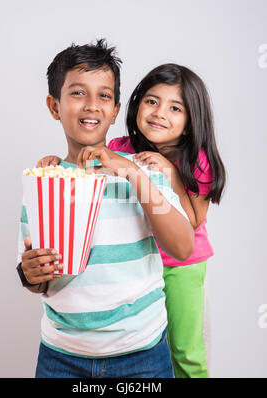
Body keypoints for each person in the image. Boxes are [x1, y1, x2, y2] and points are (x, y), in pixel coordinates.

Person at [17, 40, 194, 378]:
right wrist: (30, 274)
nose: (92, 106)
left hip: (142, 356)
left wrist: (130, 172)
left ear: (115, 110)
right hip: (61, 357)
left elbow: (183, 247)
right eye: (78, 93)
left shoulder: (146, 170)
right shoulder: (41, 182)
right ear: (55, 106)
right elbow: (35, 277)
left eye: (104, 96)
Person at [39, 63, 226, 378]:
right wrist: (59, 164)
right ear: (135, 103)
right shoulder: (120, 149)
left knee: (184, 351)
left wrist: (166, 174)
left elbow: (192, 223)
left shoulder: (197, 160)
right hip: (139, 266)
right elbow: (89, 171)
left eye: (175, 107)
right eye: (152, 101)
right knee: (154, 344)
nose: (159, 113)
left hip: (181, 265)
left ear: (192, 120)